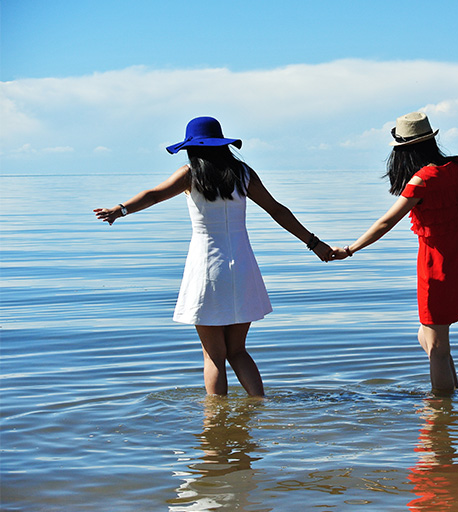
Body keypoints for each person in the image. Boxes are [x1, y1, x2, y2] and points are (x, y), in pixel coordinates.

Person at [94, 116, 331, 397]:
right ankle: (259, 406)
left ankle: (215, 419)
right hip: (243, 267)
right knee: (238, 351)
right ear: (222, 144)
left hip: (206, 269)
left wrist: (120, 210)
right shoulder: (243, 174)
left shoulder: (190, 174)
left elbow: (154, 195)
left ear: (191, 148)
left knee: (213, 355)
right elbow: (277, 210)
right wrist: (314, 243)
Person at [329, 112, 458, 394]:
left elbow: (386, 222)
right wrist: (453, 193)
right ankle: (453, 395)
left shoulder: (422, 181)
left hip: (436, 265)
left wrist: (350, 249)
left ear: (404, 151)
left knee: (436, 346)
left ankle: (440, 409)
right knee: (429, 336)